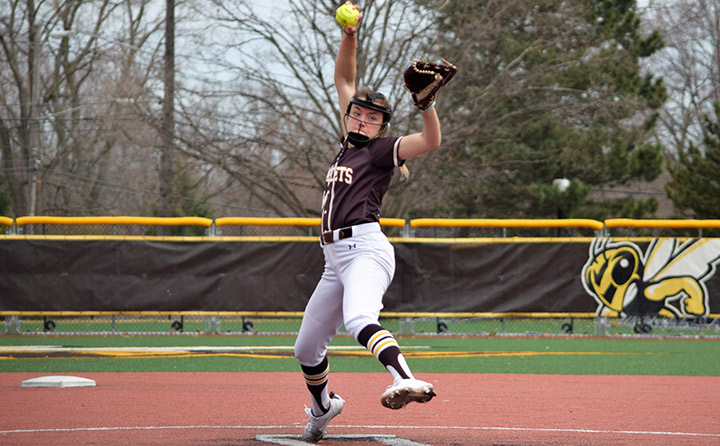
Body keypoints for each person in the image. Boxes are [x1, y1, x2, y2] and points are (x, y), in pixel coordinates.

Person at [294, 2, 447, 442]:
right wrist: (349, 36)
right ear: (349, 117)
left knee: (360, 317)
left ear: (382, 126)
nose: (363, 119)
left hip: (364, 248)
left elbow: (431, 140)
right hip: (333, 258)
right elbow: (344, 80)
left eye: (373, 117)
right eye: (358, 113)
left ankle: (403, 378)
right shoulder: (349, 140)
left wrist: (426, 104)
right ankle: (325, 407)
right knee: (306, 348)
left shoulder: (380, 151)